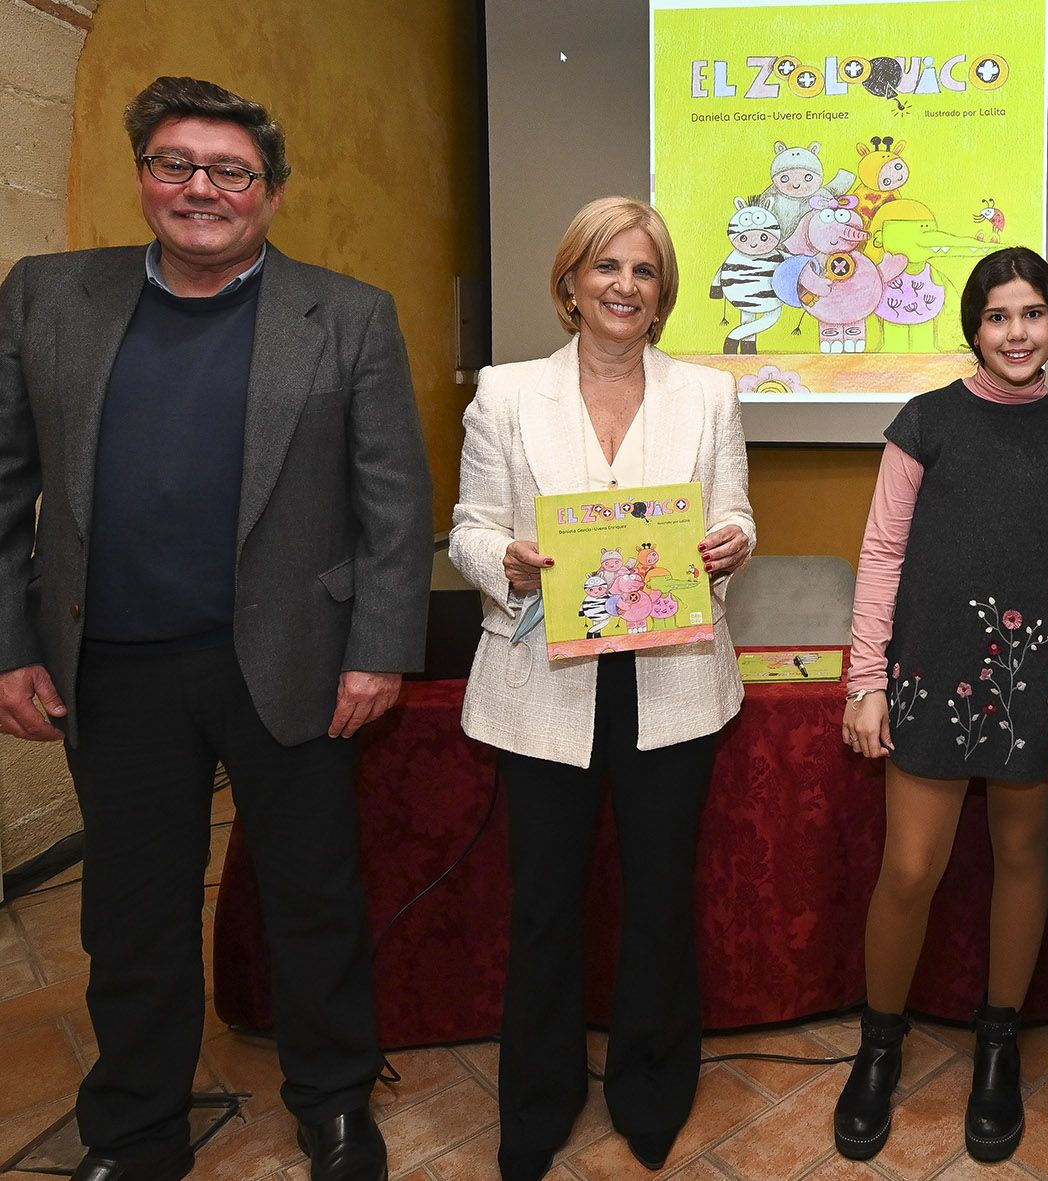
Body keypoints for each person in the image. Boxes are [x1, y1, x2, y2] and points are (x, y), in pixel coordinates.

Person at [0, 77, 432, 1181]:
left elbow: (394, 502)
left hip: (290, 662)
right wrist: (10, 643)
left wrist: (380, 645)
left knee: (313, 897)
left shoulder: (348, 314)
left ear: (272, 194)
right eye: (175, 164)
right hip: (115, 667)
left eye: (231, 170)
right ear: (142, 176)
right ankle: (137, 1128)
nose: (202, 189)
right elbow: (4, 488)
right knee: (130, 918)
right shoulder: (46, 297)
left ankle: (335, 1100)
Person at [447, 197, 754, 1179]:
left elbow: (736, 516)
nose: (625, 286)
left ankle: (651, 1087)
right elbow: (467, 528)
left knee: (660, 896)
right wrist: (511, 558)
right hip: (545, 680)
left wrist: (730, 544)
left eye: (644, 271)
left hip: (670, 683)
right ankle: (538, 1100)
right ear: (571, 281)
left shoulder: (707, 396)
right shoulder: (502, 395)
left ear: (662, 294)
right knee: (544, 902)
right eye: (606, 267)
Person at [833, 247, 1048, 1164]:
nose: (1017, 332)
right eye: (999, 316)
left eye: (1033, 314)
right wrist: (865, 679)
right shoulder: (925, 422)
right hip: (929, 678)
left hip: (1035, 686)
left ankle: (999, 1046)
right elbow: (880, 556)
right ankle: (879, 1048)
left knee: (1021, 861)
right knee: (909, 870)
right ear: (973, 327)